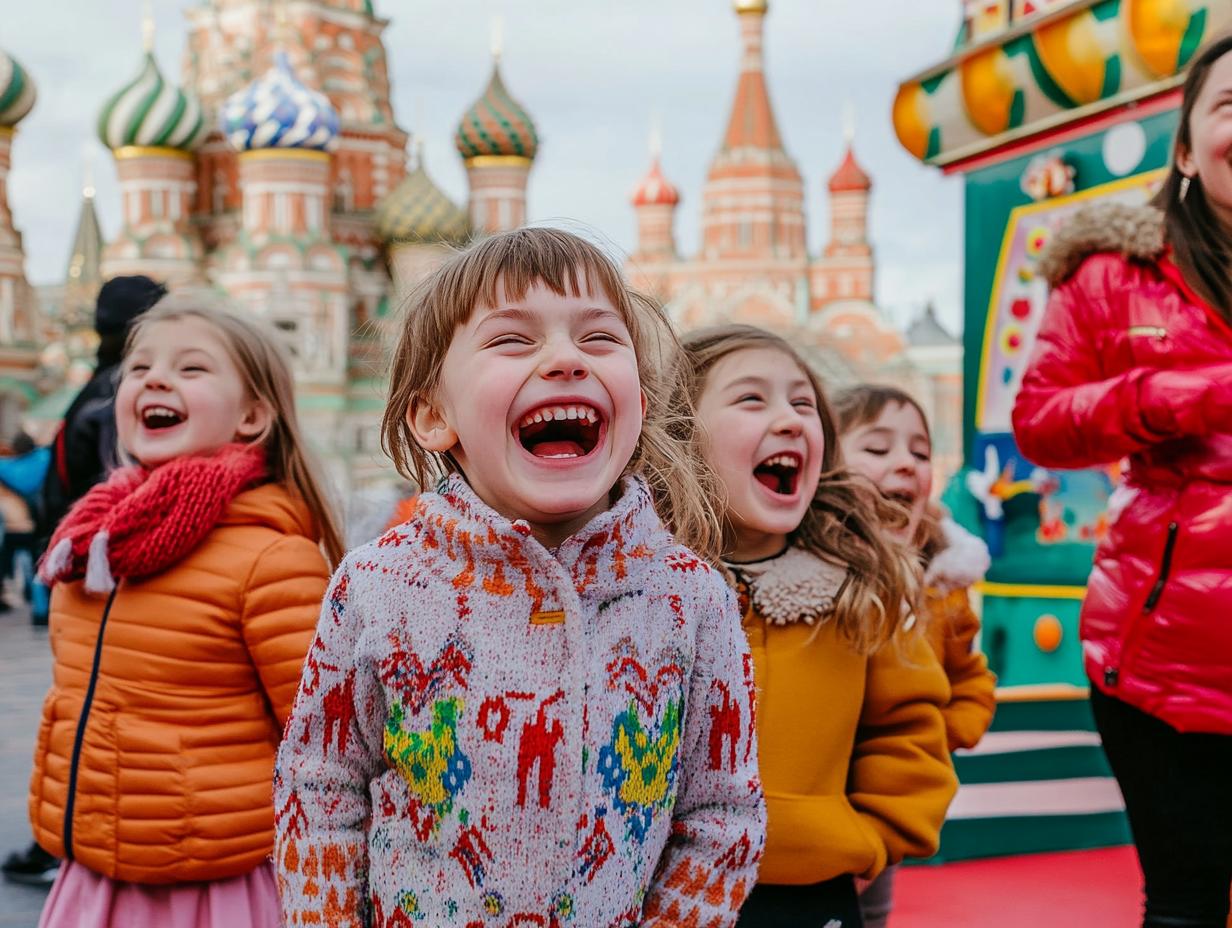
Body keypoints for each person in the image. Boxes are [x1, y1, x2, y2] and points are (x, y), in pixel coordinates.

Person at [273, 228, 766, 927]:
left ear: (642, 403)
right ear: (433, 415)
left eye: (599, 340)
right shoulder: (379, 584)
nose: (566, 359)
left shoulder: (689, 597)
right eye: (512, 341)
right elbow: (319, 789)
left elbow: (722, 816)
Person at [28, 296, 342, 928]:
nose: (155, 380)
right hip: (91, 868)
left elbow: (326, 745)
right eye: (137, 368)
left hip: (209, 883)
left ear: (253, 416)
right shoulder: (94, 544)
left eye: (192, 369)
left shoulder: (270, 559)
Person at [1012, 35, 1232, 928]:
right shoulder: (1113, 277)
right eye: (1231, 106)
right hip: (1162, 661)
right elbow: (1040, 422)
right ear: (1185, 147)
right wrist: (1196, 393)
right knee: (1184, 905)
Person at [681, 324, 956, 928]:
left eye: (803, 404)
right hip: (667, 892)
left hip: (814, 894)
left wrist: (873, 836)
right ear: (678, 435)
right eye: (752, 399)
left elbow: (908, 726)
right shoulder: (648, 588)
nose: (788, 419)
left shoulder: (860, 586)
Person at [2, 277, 165, 889]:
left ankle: (74, 839)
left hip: (93, 578)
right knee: (96, 715)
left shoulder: (105, 388)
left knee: (94, 713)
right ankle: (71, 838)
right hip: (105, 579)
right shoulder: (116, 391)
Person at [835, 384, 997, 928]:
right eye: (877, 450)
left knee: (871, 913)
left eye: (920, 453)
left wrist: (941, 735)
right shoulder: (817, 574)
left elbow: (970, 678)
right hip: (817, 799)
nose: (904, 463)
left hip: (884, 803)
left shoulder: (940, 583)